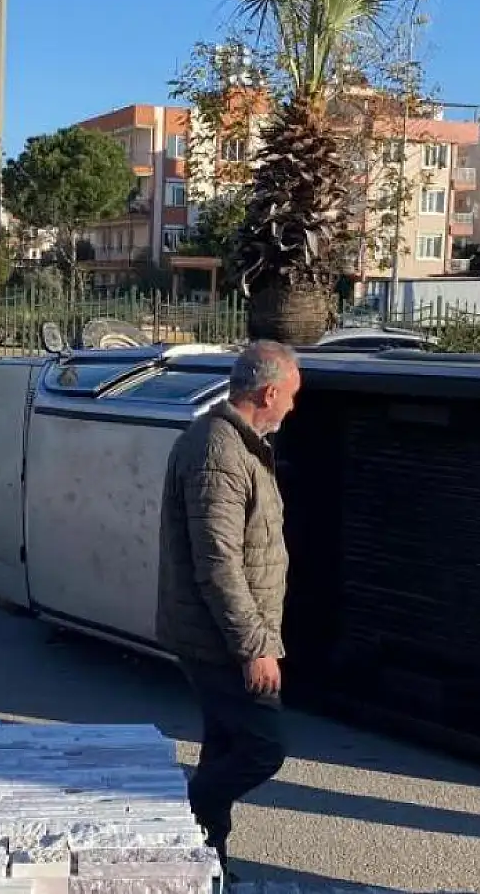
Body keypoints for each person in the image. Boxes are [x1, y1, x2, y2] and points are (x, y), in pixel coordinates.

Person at [155, 340, 301, 876]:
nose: (291, 408)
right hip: (219, 640)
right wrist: (255, 647)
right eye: (290, 396)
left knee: (223, 748)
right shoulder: (219, 451)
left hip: (219, 635)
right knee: (264, 749)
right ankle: (176, 824)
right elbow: (218, 563)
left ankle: (205, 863)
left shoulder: (235, 444)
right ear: (268, 392)